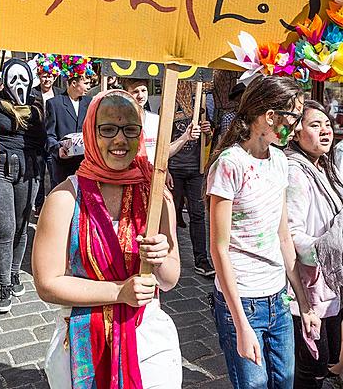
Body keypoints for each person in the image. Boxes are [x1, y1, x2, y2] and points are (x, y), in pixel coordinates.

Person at [33, 90, 182, 389]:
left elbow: (169, 279)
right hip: (82, 343)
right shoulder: (64, 198)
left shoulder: (156, 196)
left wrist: (161, 258)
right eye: (108, 129)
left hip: (147, 340)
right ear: (90, 131)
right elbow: (47, 284)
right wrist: (119, 292)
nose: (120, 140)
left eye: (130, 129)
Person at [207, 75, 321, 389]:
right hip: (243, 301)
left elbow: (283, 236)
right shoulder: (230, 164)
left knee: (284, 382)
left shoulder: (281, 161)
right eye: (295, 117)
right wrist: (241, 325)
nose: (298, 127)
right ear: (270, 117)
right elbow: (219, 248)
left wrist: (304, 304)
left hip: (278, 300)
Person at [0, 58, 46, 313]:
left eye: (23, 79)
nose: (19, 84)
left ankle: (15, 272)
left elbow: (42, 145)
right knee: (5, 229)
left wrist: (40, 176)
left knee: (20, 228)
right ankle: (4, 284)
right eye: (13, 78)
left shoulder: (37, 108)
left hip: (28, 173)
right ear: (4, 80)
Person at [286, 100, 343, 389]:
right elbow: (291, 235)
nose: (325, 131)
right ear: (295, 133)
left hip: (329, 287)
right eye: (314, 124)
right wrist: (329, 247)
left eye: (327, 124)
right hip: (308, 292)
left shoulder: (324, 167)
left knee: (323, 363)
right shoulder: (296, 172)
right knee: (309, 371)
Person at [168, 80, 213, 276]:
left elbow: (208, 140)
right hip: (175, 169)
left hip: (196, 169)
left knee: (197, 214)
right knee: (170, 215)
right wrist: (166, 169)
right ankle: (168, 259)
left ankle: (201, 260)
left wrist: (208, 131)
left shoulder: (202, 108)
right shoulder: (169, 107)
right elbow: (163, 141)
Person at [121, 77, 201, 164]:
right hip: (129, 174)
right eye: (135, 91)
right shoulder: (120, 121)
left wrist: (186, 136)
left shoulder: (156, 120)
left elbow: (164, 153)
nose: (140, 95)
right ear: (126, 94)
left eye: (143, 90)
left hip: (153, 175)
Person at [46, 64, 92, 185]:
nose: (89, 86)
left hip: (85, 163)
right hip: (63, 165)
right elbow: (49, 135)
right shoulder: (55, 104)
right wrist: (58, 149)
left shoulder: (89, 103)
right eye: (86, 83)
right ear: (74, 84)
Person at [32, 56, 62, 214]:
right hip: (37, 139)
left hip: (53, 139)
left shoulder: (59, 94)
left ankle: (53, 204)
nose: (47, 78)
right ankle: (38, 205)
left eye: (50, 75)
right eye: (44, 75)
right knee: (38, 174)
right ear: (39, 76)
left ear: (55, 76)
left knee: (54, 172)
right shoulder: (32, 93)